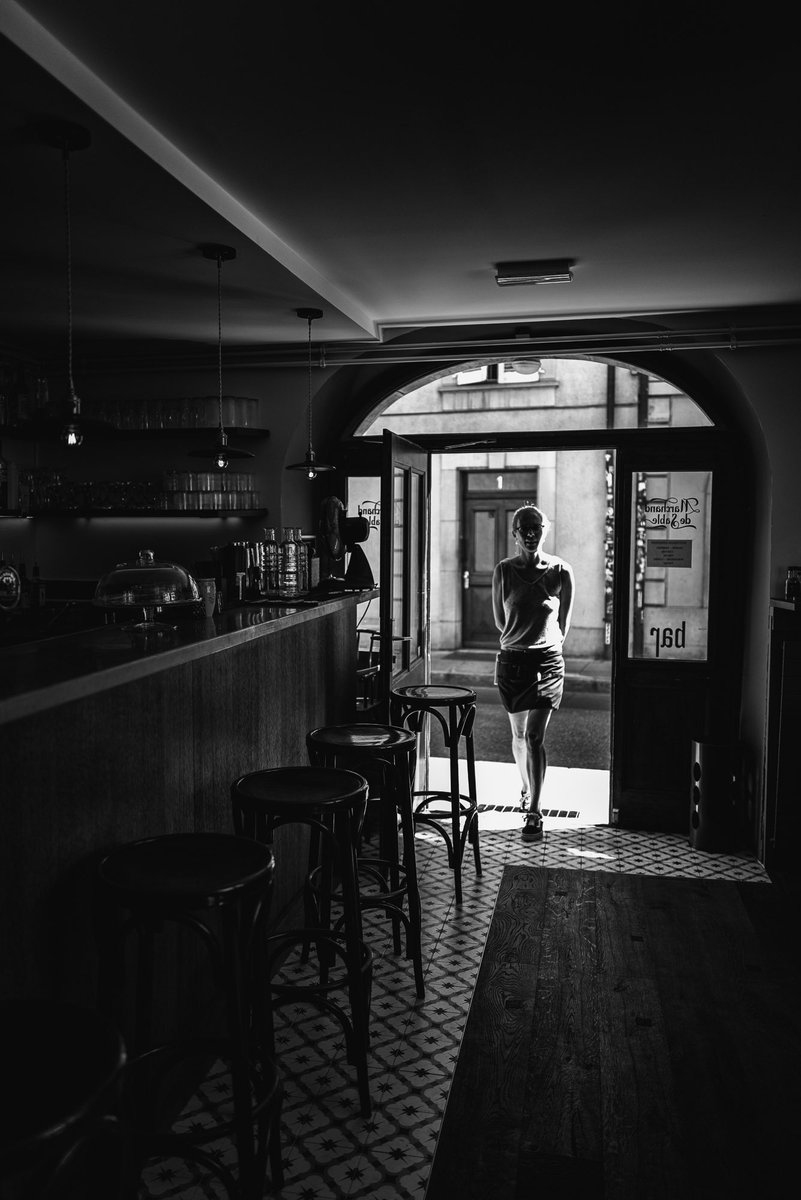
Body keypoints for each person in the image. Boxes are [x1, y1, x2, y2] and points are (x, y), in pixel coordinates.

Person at [491, 504, 575, 843]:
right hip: (512, 662)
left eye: (536, 526)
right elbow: (501, 620)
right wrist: (520, 637)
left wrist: (539, 642)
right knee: (518, 735)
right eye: (523, 527)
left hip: (547, 663)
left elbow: (563, 625)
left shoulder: (561, 571)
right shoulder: (503, 571)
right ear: (514, 533)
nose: (530, 532)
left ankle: (535, 811)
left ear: (545, 530)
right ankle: (525, 786)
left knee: (534, 737)